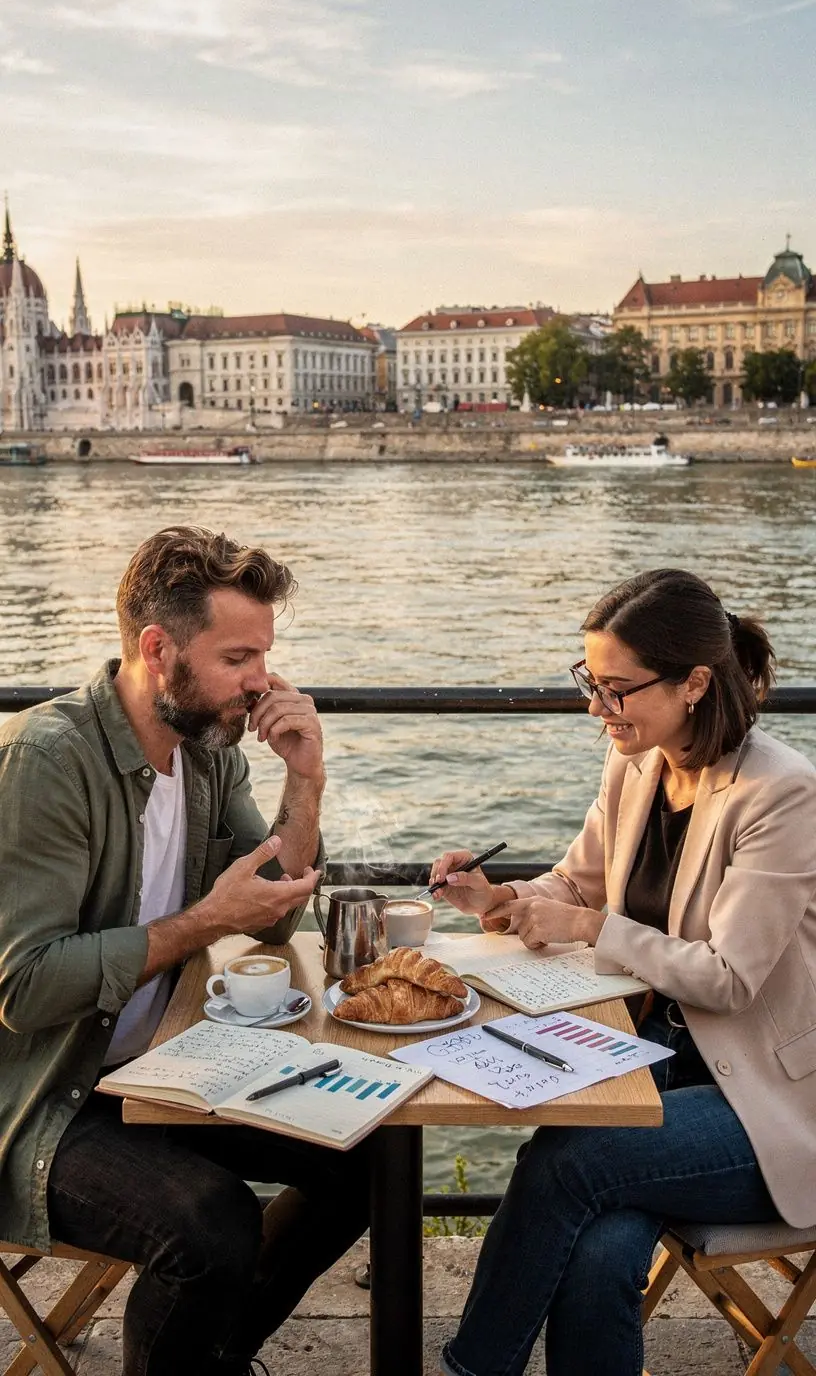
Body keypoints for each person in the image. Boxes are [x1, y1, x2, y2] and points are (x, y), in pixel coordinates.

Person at [0, 526, 370, 1376]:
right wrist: (206, 921)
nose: (263, 683)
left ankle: (209, 1355)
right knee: (211, 1226)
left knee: (366, 1158)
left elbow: (272, 916)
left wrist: (305, 779)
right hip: (42, 1095)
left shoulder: (207, 753)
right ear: (158, 649)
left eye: (265, 657)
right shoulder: (46, 761)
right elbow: (23, 987)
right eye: (238, 657)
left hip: (153, 1067)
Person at [430, 568, 816, 1376]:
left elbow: (726, 980)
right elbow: (580, 884)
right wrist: (498, 898)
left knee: (567, 1159)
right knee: (603, 1246)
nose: (597, 709)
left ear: (694, 684)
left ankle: (473, 1370)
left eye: (616, 690)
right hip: (659, 1066)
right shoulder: (639, 763)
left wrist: (591, 927)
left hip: (777, 1105)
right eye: (590, 684)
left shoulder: (781, 795)